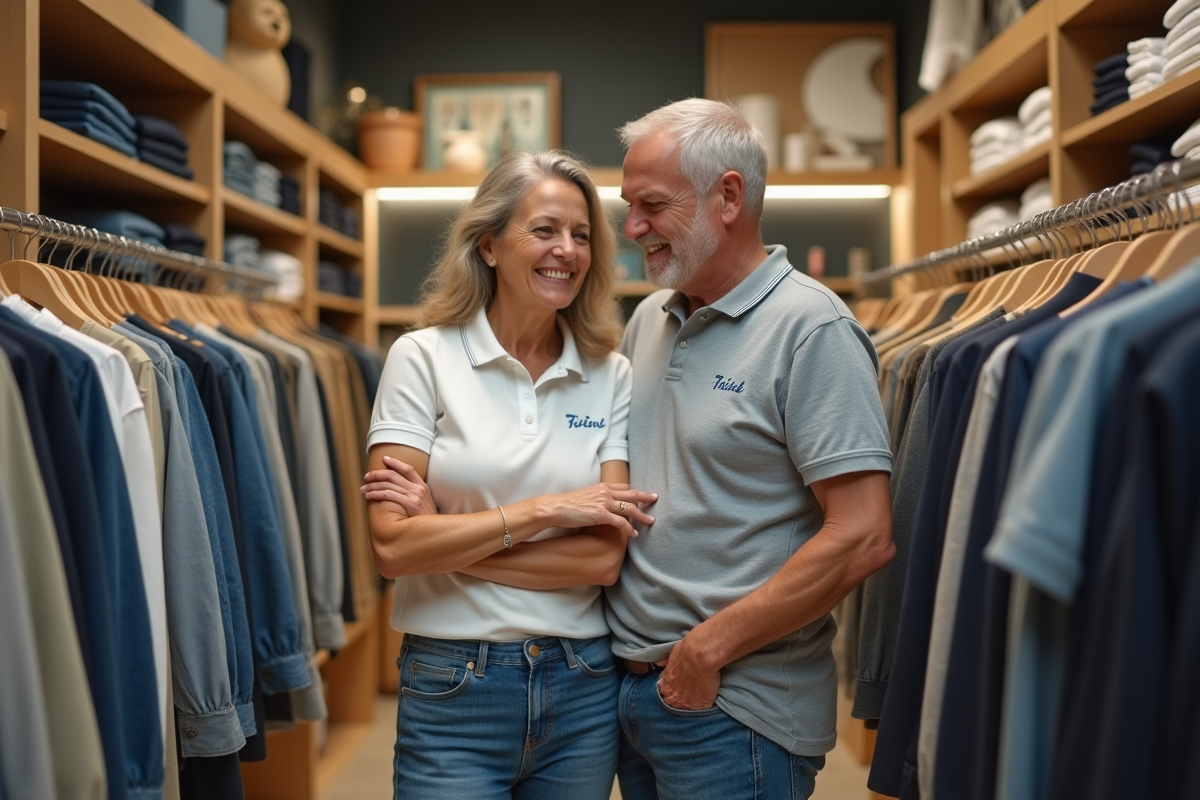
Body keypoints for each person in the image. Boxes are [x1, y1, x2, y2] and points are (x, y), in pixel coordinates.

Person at [607, 98, 896, 800]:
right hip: (636, 697)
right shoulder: (648, 318)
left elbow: (863, 535)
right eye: (628, 206)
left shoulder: (813, 329)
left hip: (736, 712)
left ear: (729, 197)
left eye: (651, 205)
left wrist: (704, 653)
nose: (631, 227)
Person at [362, 150, 657, 800]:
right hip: (452, 682)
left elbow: (602, 559)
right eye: (545, 229)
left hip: (581, 685)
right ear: (489, 245)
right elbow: (392, 546)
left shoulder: (611, 374)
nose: (567, 250)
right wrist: (547, 512)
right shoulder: (421, 358)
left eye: (581, 235)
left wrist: (443, 538)